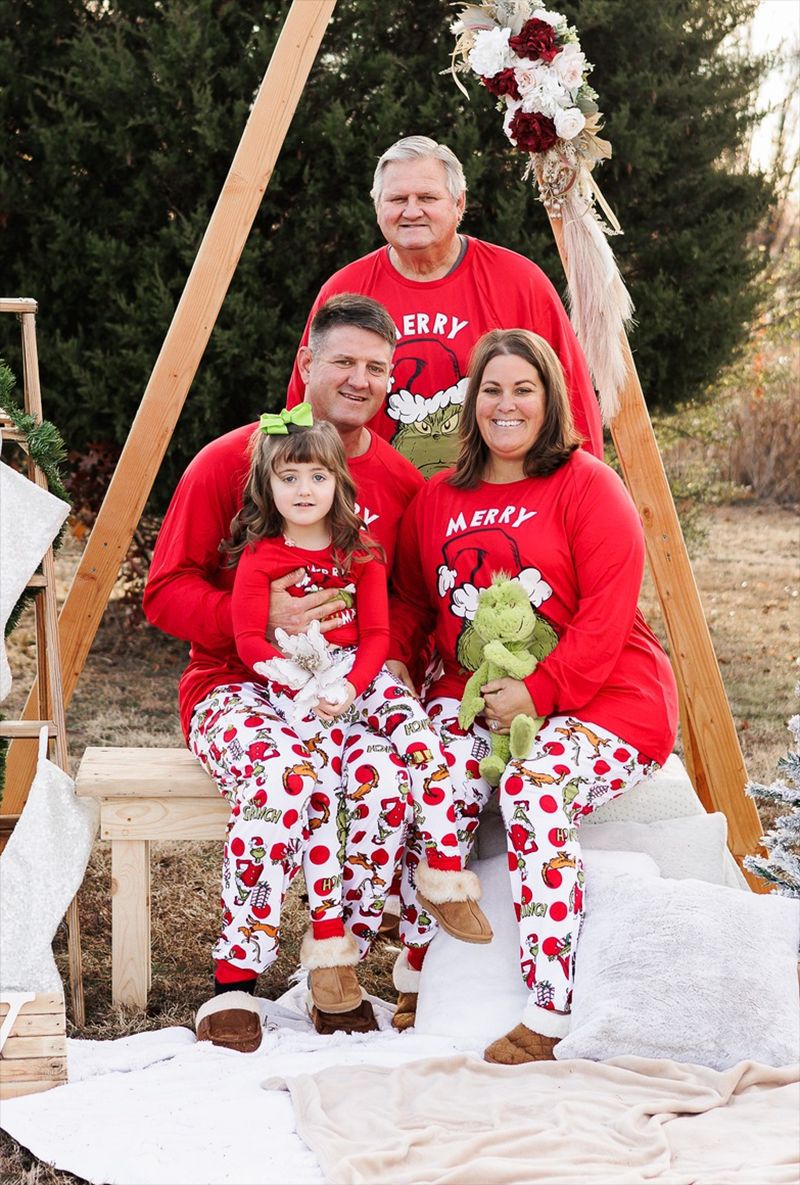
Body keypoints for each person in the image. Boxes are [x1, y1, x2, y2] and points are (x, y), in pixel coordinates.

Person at [387, 328, 679, 1060]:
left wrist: (541, 691)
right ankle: (421, 963)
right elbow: (417, 606)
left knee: (534, 788)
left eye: (524, 389)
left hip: (605, 697)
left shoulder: (587, 485)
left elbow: (607, 617)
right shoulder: (437, 499)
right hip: (479, 696)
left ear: (549, 400)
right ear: (471, 401)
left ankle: (552, 1004)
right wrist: (392, 660)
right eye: (492, 389)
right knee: (424, 769)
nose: (506, 404)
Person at [143, 294, 424, 1048]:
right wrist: (261, 621)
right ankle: (232, 981)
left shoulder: (396, 483)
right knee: (280, 780)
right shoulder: (230, 460)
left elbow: (410, 604)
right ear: (306, 363)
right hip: (235, 684)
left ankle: (339, 967)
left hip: (343, 690)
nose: (359, 379)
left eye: (376, 367)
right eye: (343, 361)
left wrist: (367, 651)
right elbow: (164, 590)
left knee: (384, 784)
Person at [224, 413, 491, 1025]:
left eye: (317, 475)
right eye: (287, 477)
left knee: (420, 739)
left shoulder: (361, 552)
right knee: (324, 790)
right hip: (295, 681)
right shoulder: (262, 557)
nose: (303, 490)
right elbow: (248, 641)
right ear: (267, 486)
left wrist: (351, 682)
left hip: (358, 674)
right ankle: (326, 935)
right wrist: (301, 682)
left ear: (338, 482)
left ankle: (444, 875)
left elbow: (375, 633)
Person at [286, 135, 603, 475]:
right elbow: (304, 407)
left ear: (458, 204)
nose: (411, 211)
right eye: (396, 199)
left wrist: (583, 491)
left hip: (492, 501)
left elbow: (572, 400)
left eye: (427, 197)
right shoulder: (344, 289)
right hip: (372, 503)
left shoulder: (518, 281)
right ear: (377, 206)